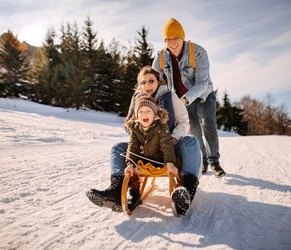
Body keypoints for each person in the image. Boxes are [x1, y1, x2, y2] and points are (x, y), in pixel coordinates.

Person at [86, 66, 201, 216]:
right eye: (143, 82)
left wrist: (173, 138)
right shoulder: (137, 99)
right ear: (139, 85)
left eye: (151, 81)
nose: (147, 86)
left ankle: (186, 190)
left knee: (191, 141)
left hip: (170, 144)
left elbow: (184, 122)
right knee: (118, 148)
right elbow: (129, 125)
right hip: (145, 147)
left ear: (158, 82)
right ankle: (116, 190)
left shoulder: (170, 97)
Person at [152, 18, 226, 178]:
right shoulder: (161, 57)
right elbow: (153, 77)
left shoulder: (198, 53)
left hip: (204, 95)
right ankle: (203, 161)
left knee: (208, 126)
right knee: (194, 132)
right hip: (181, 99)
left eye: (175, 38)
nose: (172, 43)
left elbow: (202, 83)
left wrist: (183, 100)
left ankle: (214, 162)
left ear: (182, 37)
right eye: (168, 39)